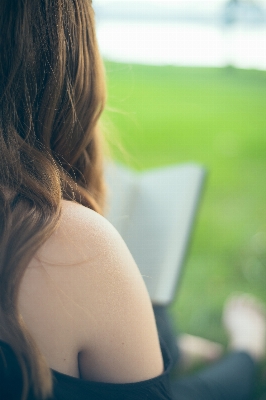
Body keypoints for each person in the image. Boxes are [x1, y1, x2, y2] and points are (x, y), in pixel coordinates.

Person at [0, 1, 265, 400]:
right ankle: (248, 347)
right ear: (68, 56)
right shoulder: (62, 242)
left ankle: (174, 350)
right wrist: (246, 352)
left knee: (159, 329)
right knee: (161, 330)